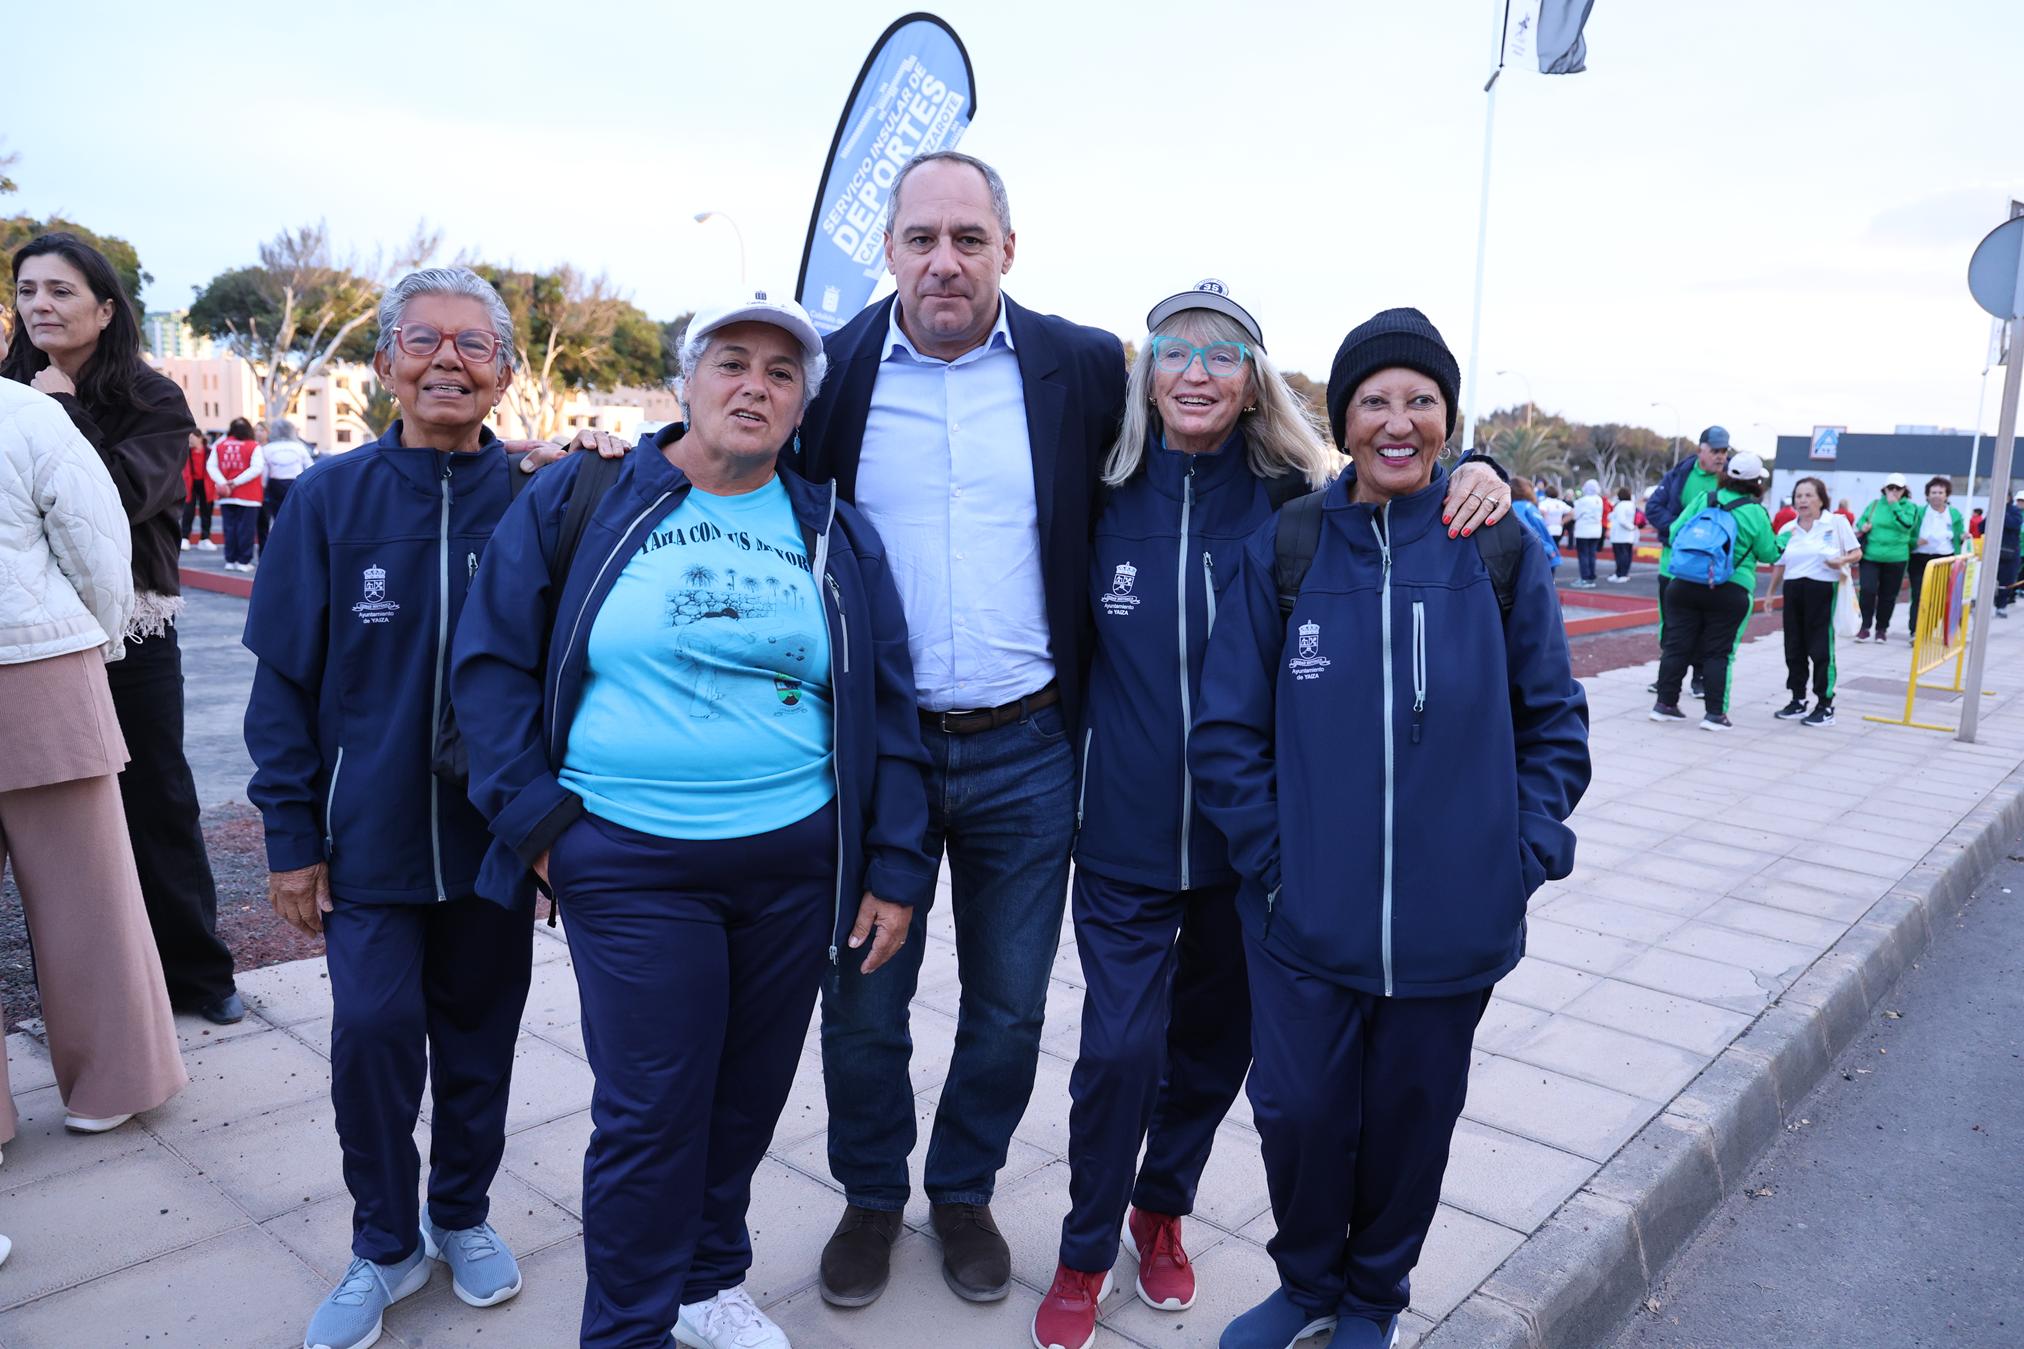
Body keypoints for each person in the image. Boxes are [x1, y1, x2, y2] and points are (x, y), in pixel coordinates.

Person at [792, 150, 1519, 1311]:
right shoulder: (856, 382)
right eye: (921, 237)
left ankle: (1067, 1199)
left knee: (1037, 1012)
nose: (944, 259)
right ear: (887, 247)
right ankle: (890, 1200)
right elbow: (738, 456)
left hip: (1144, 804)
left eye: (968, 239)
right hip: (970, 776)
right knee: (897, 1000)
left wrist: (1478, 464)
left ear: (1006, 250)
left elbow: (1395, 476)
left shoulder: (1273, 498)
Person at [454, 292, 935, 1349]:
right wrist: (539, 825)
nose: (752, 385)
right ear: (687, 380)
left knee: (748, 1092)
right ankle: (625, 1329)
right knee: (651, 1108)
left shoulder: (832, 530)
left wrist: (893, 862)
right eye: (731, 361)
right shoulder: (584, 495)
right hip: (628, 861)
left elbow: (884, 705)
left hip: (792, 864)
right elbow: (487, 663)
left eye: (778, 371)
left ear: (803, 402)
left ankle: (708, 1279)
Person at [1189, 309, 1590, 1349]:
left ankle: (1372, 1298)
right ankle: (1306, 1279)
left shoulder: (1496, 549)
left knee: (1410, 1122)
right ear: (1344, 418)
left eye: (1420, 400)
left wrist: (1521, 852)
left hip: (1453, 920)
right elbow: (1227, 729)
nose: (1397, 420)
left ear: (1448, 419)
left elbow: (1553, 722)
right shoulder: (1285, 547)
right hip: (1299, 917)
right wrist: (1273, 865)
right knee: (1298, 1113)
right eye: (1374, 400)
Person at [1034, 281, 1352, 1349]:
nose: (1197, 373)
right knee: (1117, 1049)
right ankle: (1084, 1250)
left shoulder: (1292, 504)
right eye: (1176, 351)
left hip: (1246, 845)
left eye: (1223, 355)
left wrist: (1481, 474)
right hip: (1120, 836)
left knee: (1212, 1052)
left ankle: (1158, 1207)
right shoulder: (1099, 495)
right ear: (1147, 372)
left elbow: (1410, 499)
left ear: (1253, 378)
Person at [245, 268, 549, 1349]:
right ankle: (383, 1240)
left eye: (475, 345)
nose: (448, 362)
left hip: (495, 843)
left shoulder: (535, 498)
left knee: (481, 1041)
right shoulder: (329, 500)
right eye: (423, 340)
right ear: (384, 365)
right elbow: (281, 685)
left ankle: (458, 1213)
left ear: (506, 372)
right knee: (372, 1034)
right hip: (365, 837)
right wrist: (291, 838)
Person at [2, 231, 243, 1025]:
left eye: (61, 291)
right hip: (33, 643)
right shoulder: (8, 392)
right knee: (60, 832)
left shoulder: (152, 398)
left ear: (106, 309)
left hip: (134, 629)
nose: (40, 303)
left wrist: (63, 411)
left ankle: (199, 977)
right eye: (28, 289)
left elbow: (119, 497)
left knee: (158, 799)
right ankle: (90, 1005)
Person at [0, 377, 187, 1142]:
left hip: (42, 655)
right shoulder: (29, 411)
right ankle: (113, 1080)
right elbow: (98, 547)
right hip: (42, 661)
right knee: (90, 897)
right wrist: (99, 642)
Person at [1650, 451, 1783, 730]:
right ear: (1757, 481)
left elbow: (1675, 532)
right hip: (1729, 589)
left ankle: (1664, 704)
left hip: (1684, 584)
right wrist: (1782, 539)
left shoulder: (1705, 499)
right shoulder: (1755, 512)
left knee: (1676, 646)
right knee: (1718, 652)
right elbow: (1769, 553)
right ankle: (1714, 714)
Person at [1644, 428, 1733, 701]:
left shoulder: (1730, 479)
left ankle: (1700, 676)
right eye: (1715, 451)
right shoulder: (1680, 475)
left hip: (1711, 569)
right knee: (1671, 626)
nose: (1720, 456)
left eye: (1724, 451)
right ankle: (1667, 679)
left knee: (1707, 626)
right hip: (1674, 566)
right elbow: (1653, 508)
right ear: (1701, 450)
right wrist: (1679, 532)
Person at [1770, 476, 1861, 728]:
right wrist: (1770, 592)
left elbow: (1857, 552)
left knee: (1820, 648)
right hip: (1793, 588)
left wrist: (1840, 562)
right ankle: (1797, 699)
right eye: (1799, 495)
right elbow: (1780, 563)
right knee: (1793, 647)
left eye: (1809, 495)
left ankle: (1825, 704)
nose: (1803, 500)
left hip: (1822, 589)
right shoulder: (1788, 529)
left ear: (1821, 498)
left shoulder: (1836, 523)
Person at [1854, 473, 1920, 643]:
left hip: (1896, 557)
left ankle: (1881, 628)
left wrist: (1895, 506)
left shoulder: (1910, 507)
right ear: (1884, 488)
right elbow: (1860, 521)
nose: (1893, 491)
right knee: (1867, 590)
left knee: (1888, 595)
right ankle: (1864, 626)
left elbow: (1907, 526)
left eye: (1898, 488)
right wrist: (1864, 526)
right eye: (1890, 488)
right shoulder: (1875, 504)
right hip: (1871, 555)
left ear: (1904, 490)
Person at [1906, 475, 1965, 634]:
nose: (1937, 495)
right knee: (1919, 594)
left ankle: (1929, 628)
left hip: (1944, 558)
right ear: (1927, 495)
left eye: (1940, 492)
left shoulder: (1954, 514)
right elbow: (1907, 534)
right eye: (1933, 492)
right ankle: (1915, 630)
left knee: (1938, 596)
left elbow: (1958, 535)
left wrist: (1963, 538)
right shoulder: (1918, 512)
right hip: (1920, 558)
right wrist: (1914, 541)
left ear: (1947, 495)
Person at [208, 416, 264, 570]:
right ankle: (243, 561)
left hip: (226, 496)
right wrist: (235, 482)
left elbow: (211, 466)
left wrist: (223, 482)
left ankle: (230, 560)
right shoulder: (253, 446)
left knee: (229, 528)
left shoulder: (220, 446)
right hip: (249, 496)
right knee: (246, 529)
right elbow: (257, 468)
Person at [257, 417, 314, 551]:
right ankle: (295, 546)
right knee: (296, 517)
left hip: (275, 485)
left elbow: (264, 473)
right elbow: (310, 467)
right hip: (296, 484)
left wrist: (263, 488)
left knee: (278, 518)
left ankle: (280, 547)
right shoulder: (299, 447)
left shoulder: (268, 449)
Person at [1509, 477, 1560, 567]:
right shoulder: (1520, 506)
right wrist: (1547, 548)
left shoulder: (1526, 506)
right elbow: (1526, 529)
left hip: (1542, 555)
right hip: (1540, 555)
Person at [179, 429, 214, 550]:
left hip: (206, 483)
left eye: (192, 437)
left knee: (207, 512)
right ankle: (185, 537)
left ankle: (205, 538)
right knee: (188, 511)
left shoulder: (210, 451)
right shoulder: (186, 452)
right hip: (190, 483)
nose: (189, 440)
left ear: (199, 438)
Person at [1571, 478, 1605, 587]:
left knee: (1583, 555)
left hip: (1583, 531)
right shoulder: (1599, 500)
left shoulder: (1583, 500)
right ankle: (1591, 577)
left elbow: (1576, 515)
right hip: (1596, 530)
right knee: (1592, 554)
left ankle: (1584, 578)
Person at [1996, 490, 2023, 617]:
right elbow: (1982, 526)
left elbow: (2013, 524)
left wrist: (2001, 513)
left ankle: (2003, 604)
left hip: (2012, 552)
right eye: (2020, 501)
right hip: (1995, 551)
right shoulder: (1994, 508)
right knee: (1991, 579)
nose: (2021, 503)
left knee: (2008, 579)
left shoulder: (2015, 512)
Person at [1608, 484, 1639, 582]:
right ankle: (1622, 573)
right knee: (1626, 555)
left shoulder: (1621, 505)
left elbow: (1621, 520)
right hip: (1627, 535)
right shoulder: (1631, 504)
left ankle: (1621, 574)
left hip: (1619, 535)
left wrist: (1631, 527)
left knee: (1620, 556)